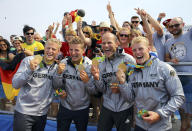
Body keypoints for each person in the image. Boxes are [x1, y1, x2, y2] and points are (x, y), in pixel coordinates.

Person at [118, 36, 185, 131]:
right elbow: (130, 98)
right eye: (134, 50)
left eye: (140, 49)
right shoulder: (132, 71)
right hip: (140, 125)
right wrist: (122, 82)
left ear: (148, 49)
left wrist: (160, 114)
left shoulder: (164, 68)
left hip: (161, 126)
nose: (137, 53)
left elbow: (179, 96)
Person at [12, 38, 62, 131]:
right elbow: (15, 84)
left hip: (42, 114)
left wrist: (59, 74)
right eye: (48, 48)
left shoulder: (57, 67)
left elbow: (56, 87)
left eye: (53, 49)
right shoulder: (29, 60)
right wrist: (29, 70)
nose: (50, 51)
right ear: (44, 48)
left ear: (58, 51)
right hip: (24, 113)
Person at [91, 32, 136, 131]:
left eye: (109, 43)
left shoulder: (129, 60)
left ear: (117, 43)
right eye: (103, 43)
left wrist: (121, 87)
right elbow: (102, 89)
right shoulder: (101, 63)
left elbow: (135, 88)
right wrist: (97, 78)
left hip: (125, 107)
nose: (106, 46)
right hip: (107, 106)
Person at [53, 36, 96, 131]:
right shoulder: (63, 63)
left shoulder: (89, 65)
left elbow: (93, 91)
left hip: (82, 109)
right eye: (71, 49)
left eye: (76, 50)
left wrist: (87, 81)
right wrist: (60, 89)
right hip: (65, 107)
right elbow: (56, 87)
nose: (73, 53)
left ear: (83, 50)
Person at [164, 17, 192, 131]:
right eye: (171, 26)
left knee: (188, 114)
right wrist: (171, 60)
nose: (174, 28)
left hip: (191, 77)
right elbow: (166, 57)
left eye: (177, 25)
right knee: (183, 112)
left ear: (183, 24)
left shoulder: (189, 35)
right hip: (179, 79)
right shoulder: (168, 42)